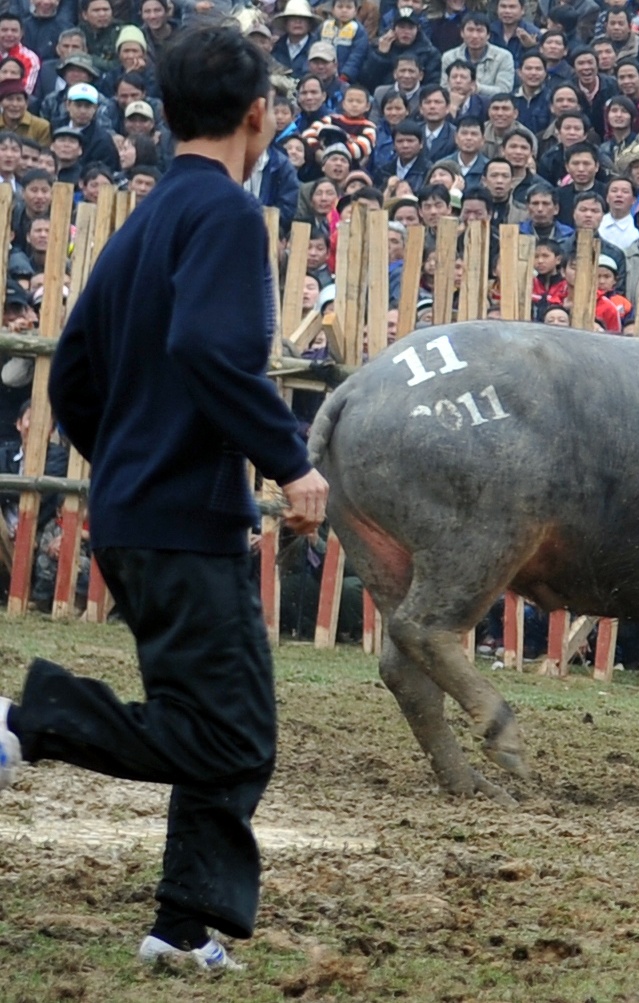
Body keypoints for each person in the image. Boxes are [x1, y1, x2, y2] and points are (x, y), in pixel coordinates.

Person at [1, 24, 328, 969]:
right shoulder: (226, 215)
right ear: (258, 116)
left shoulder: (145, 219)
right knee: (233, 736)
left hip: (140, 513)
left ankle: (183, 930)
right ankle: (23, 724)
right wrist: (290, 460)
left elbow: (75, 372)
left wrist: (127, 460)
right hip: (185, 522)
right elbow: (207, 351)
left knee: (215, 721)